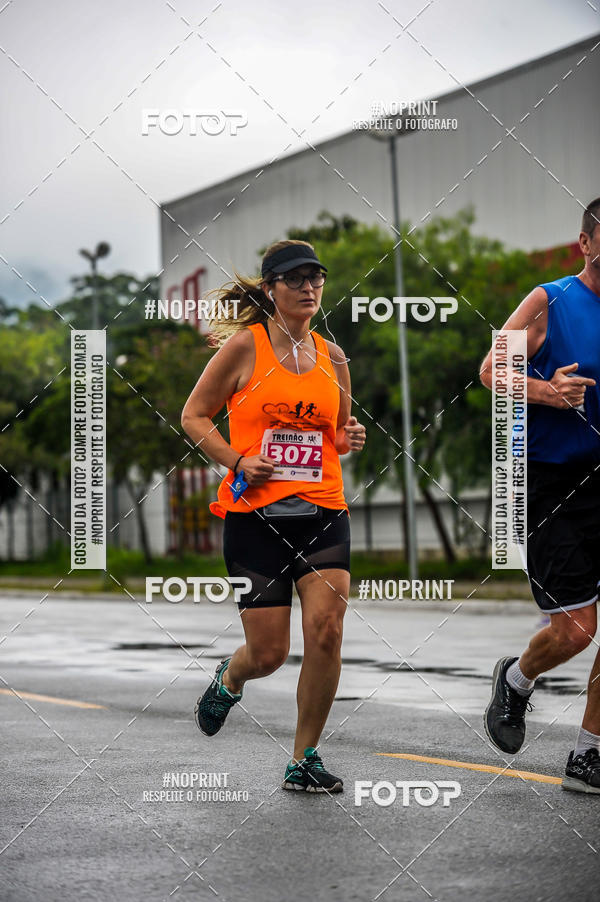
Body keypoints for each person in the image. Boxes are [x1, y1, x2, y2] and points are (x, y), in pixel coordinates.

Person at [181, 239, 366, 793]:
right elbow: (193, 416)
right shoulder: (245, 348)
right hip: (255, 519)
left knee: (327, 631)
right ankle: (231, 677)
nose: (308, 287)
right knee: (269, 653)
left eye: (316, 278)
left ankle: (304, 758)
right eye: (295, 279)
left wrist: (348, 437)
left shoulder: (334, 358)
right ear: (271, 289)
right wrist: (238, 459)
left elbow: (337, 431)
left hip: (322, 512)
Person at [480, 197, 600, 793]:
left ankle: (589, 752)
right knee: (577, 630)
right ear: (585, 243)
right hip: (552, 481)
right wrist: (548, 393)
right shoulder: (551, 300)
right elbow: (491, 372)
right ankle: (518, 680)